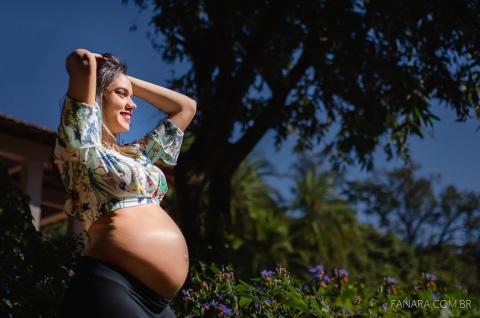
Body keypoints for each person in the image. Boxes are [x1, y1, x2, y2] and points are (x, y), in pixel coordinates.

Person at [54, 48, 196, 317]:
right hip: (113, 284)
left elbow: (185, 107)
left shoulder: (139, 155)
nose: (133, 104)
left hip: (159, 303)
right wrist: (104, 70)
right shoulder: (82, 147)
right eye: (121, 95)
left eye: (131, 96)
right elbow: (81, 59)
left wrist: (126, 82)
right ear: (96, 97)